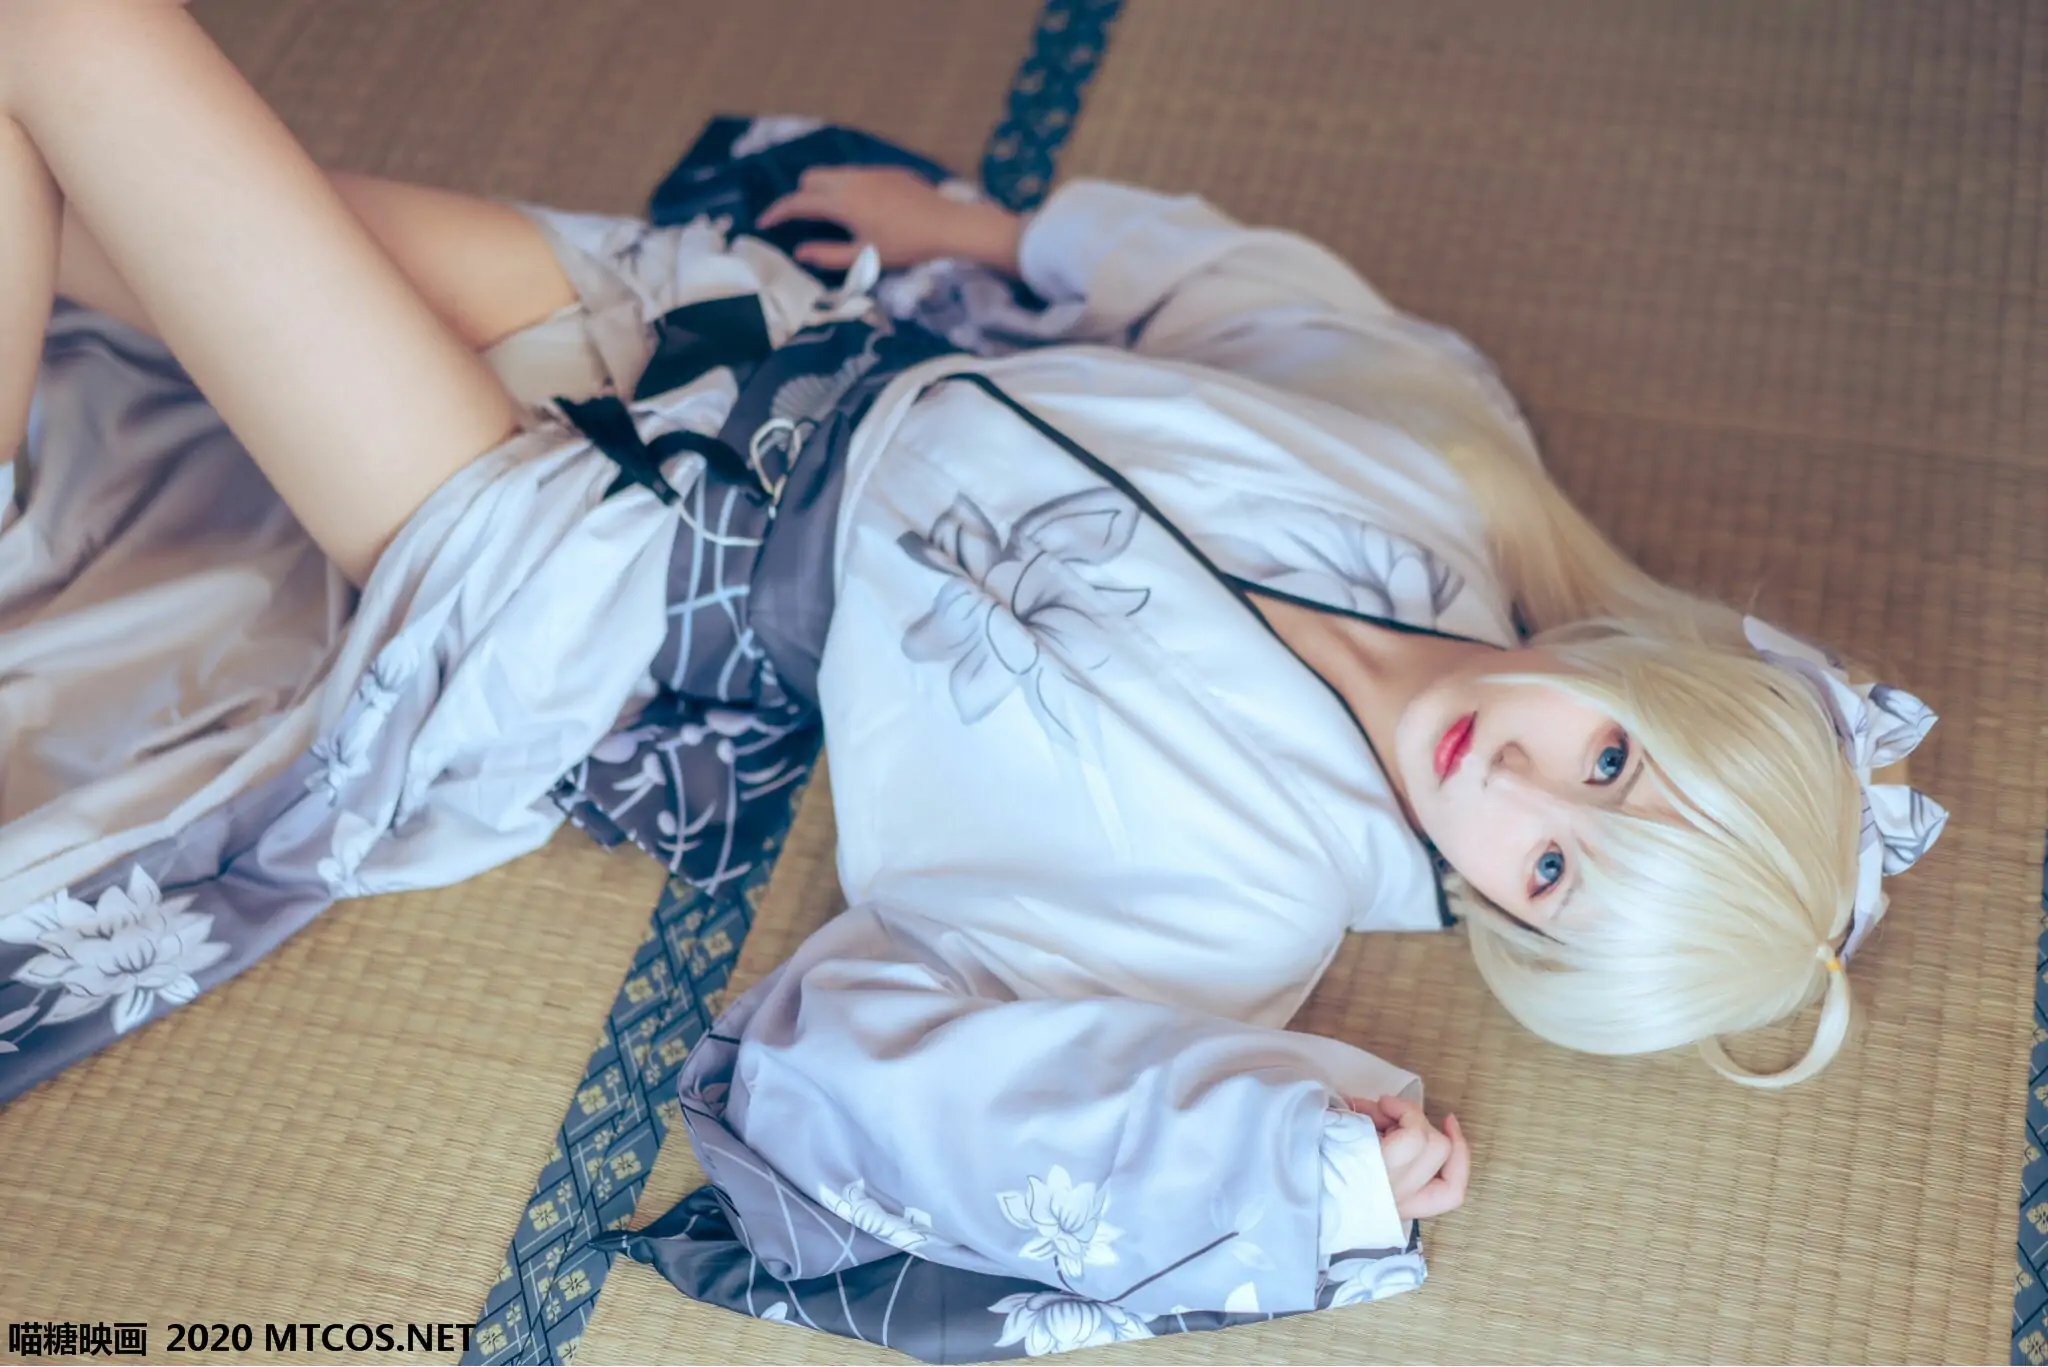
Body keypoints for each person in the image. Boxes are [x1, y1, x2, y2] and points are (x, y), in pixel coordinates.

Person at [0, 0, 1946, 1339]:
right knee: (63, 195)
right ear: (1634, 663)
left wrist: (1289, 1158)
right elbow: (1248, 292)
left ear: (1516, 934)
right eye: (1607, 760)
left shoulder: (1230, 905)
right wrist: (990, 225)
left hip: (589, 578)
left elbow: (891, 1077)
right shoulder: (1444, 466)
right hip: (718, 336)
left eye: (1551, 867)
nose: (1512, 784)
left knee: (77, 44)